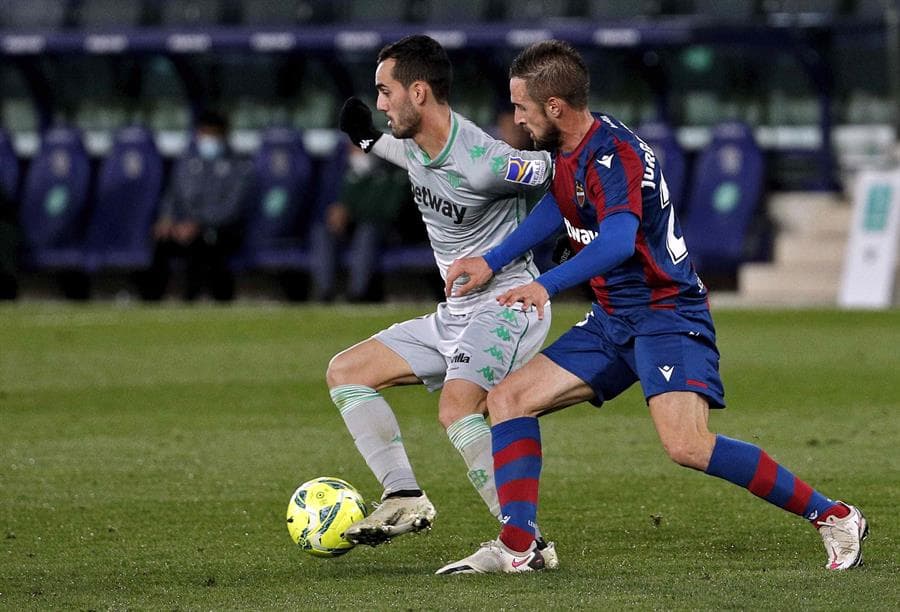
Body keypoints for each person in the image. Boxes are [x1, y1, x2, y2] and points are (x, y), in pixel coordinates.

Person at [437, 40, 867, 574]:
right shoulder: (574, 149)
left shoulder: (612, 154)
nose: (516, 118)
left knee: (686, 445)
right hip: (615, 317)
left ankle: (835, 515)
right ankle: (519, 547)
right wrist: (494, 259)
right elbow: (561, 203)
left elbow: (619, 241)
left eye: (522, 106)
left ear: (554, 107)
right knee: (508, 400)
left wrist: (545, 284)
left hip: (667, 314)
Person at [328, 35, 558, 562]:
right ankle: (404, 496)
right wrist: (364, 139)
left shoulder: (484, 160)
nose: (381, 103)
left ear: (420, 92)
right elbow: (395, 151)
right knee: (347, 372)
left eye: (386, 92)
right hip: (454, 314)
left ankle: (527, 542)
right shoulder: (414, 144)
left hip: (509, 305)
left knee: (457, 407)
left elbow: (557, 171)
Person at [139, 110, 253, 302]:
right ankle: (150, 300)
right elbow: (172, 195)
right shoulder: (187, 161)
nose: (207, 139)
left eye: (212, 134)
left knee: (202, 246)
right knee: (160, 242)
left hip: (220, 230)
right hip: (183, 228)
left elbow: (232, 208)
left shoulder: (239, 165)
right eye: (203, 133)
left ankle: (192, 299)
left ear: (224, 134)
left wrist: (198, 223)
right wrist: (167, 219)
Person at [309, 144, 408, 302]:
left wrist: (350, 211)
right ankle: (324, 292)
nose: (356, 150)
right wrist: (338, 213)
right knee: (322, 231)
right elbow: (335, 203)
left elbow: (389, 208)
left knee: (366, 233)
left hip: (387, 230)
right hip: (351, 227)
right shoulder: (347, 172)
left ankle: (357, 294)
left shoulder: (391, 169)